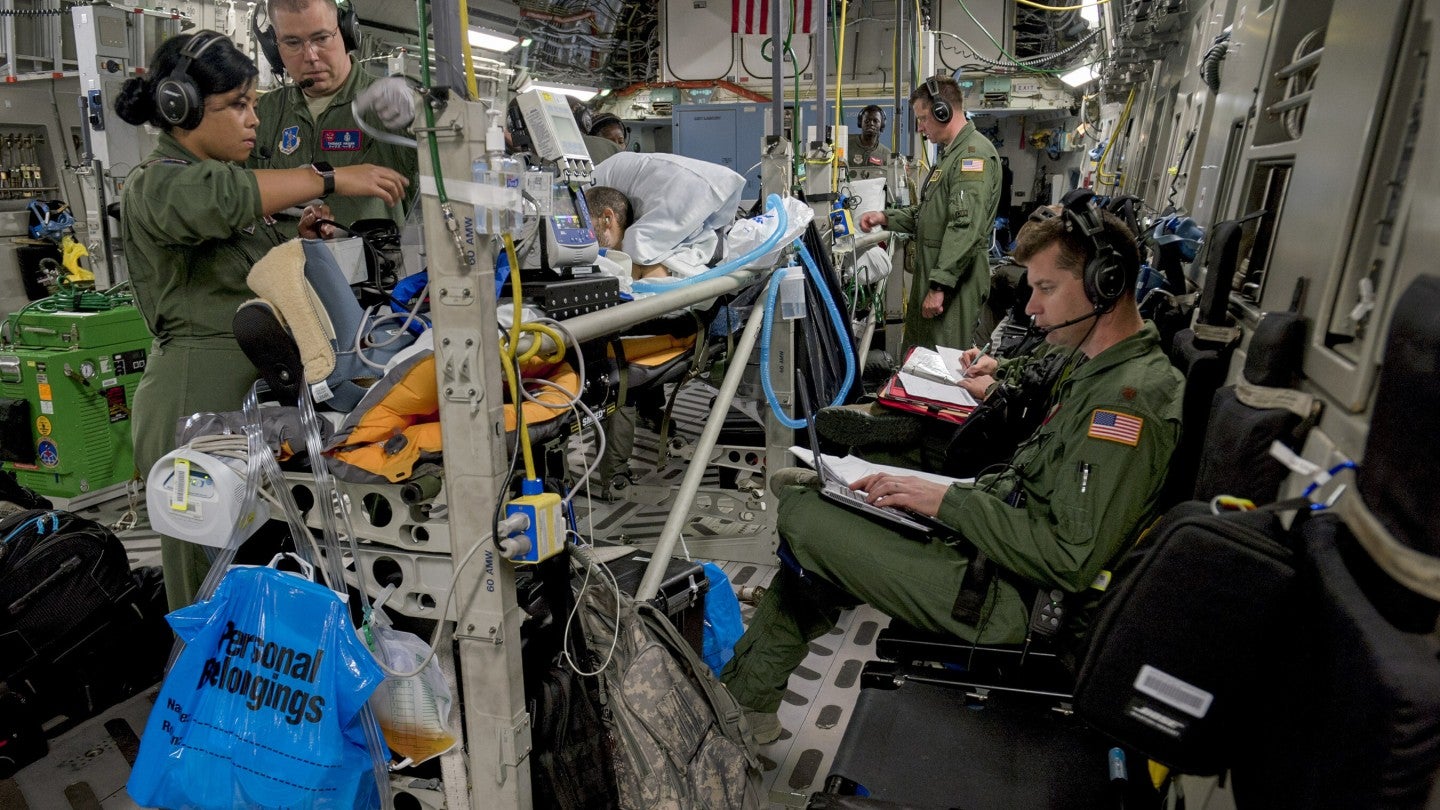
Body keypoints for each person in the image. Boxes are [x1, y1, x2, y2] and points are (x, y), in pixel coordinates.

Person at [720, 198, 1184, 745]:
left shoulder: (1126, 404)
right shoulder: (1097, 364)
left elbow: (1067, 556)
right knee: (836, 512)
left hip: (1012, 600)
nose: (1031, 306)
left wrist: (945, 502)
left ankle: (743, 701)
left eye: (1046, 288)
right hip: (994, 546)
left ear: (1105, 284)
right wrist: (944, 498)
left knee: (805, 517)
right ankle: (745, 701)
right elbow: (1033, 390)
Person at [115, 30, 408, 609]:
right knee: (208, 591)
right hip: (195, 401)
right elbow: (222, 199)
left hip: (254, 396)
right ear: (182, 110)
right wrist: (329, 176)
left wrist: (298, 238)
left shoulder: (225, 178)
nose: (253, 119)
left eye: (253, 102)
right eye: (237, 105)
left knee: (266, 574)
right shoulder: (157, 183)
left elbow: (241, 247)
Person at [248, 0, 418, 237]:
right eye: (293, 42)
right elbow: (227, 193)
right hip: (280, 259)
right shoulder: (263, 112)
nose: (311, 56)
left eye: (321, 38)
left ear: (347, 33)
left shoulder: (390, 106)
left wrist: (420, 112)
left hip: (370, 259)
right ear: (273, 48)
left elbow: (451, 172)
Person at [859, 76, 1001, 354]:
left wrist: (939, 286)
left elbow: (964, 227)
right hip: (937, 275)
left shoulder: (972, 157)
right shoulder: (950, 157)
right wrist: (885, 218)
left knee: (943, 362)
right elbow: (928, 214)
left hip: (953, 285)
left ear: (943, 111)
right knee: (921, 356)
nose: (920, 127)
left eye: (923, 118)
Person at [846, 104, 891, 179]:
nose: (871, 123)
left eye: (875, 121)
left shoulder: (886, 154)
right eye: (867, 121)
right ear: (860, 123)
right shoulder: (846, 145)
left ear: (881, 125)